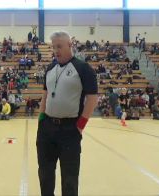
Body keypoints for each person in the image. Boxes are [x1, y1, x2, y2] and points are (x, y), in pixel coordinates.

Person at [36, 31, 98, 196]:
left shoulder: (83, 69)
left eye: (59, 46)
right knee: (45, 173)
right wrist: (41, 120)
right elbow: (45, 95)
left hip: (70, 130)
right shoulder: (50, 68)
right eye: (54, 47)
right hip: (46, 128)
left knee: (69, 177)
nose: (56, 50)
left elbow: (92, 99)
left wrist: (80, 127)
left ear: (70, 45)